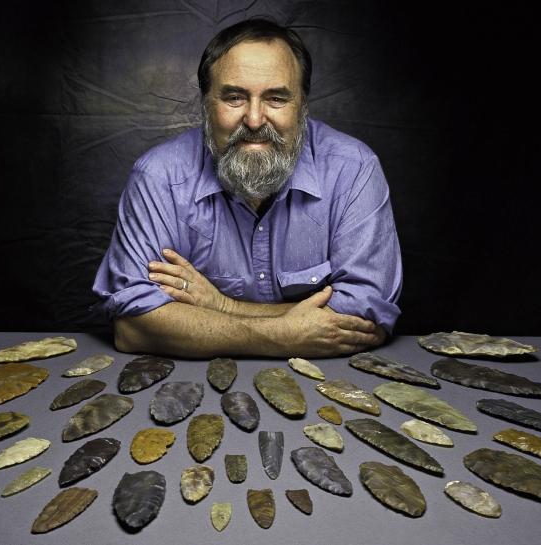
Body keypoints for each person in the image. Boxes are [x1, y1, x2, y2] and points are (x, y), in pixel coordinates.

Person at [92, 18, 402, 358]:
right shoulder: (158, 176)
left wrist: (223, 306)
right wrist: (282, 334)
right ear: (205, 104)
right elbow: (133, 327)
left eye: (276, 98)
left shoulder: (353, 168)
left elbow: (364, 318)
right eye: (235, 98)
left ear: (303, 107)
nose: (254, 120)